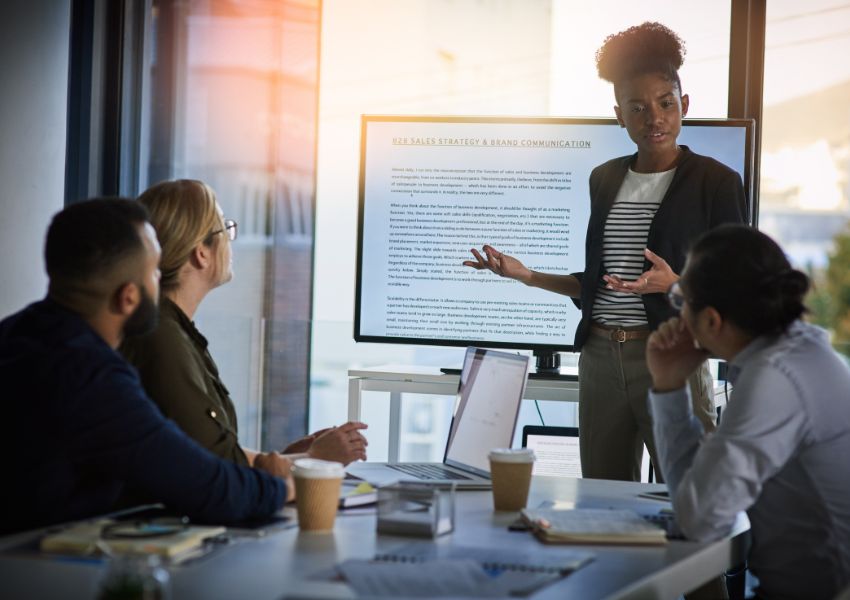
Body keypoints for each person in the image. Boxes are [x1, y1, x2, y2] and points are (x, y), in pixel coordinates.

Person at [464, 22, 746, 481]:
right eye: (637, 108)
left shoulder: (717, 182)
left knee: (692, 490)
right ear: (620, 115)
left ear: (684, 105)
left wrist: (674, 284)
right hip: (598, 357)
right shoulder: (604, 178)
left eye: (665, 103)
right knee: (603, 493)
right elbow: (594, 283)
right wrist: (526, 275)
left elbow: (737, 287)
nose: (653, 118)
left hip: (670, 354)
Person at [0, 199, 292, 535]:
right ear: (128, 297)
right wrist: (281, 486)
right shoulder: (91, 379)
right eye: (154, 271)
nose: (161, 280)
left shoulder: (15, 332)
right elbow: (207, 488)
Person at [647, 224, 850, 599]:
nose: (678, 312)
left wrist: (669, 391)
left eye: (681, 299)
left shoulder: (775, 378)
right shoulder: (801, 353)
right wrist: (671, 384)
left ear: (711, 320)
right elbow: (698, 504)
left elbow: (699, 521)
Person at [120, 179, 368, 469]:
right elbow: (216, 466)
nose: (230, 238)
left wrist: (287, 458)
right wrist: (313, 460)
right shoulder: (164, 338)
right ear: (201, 252)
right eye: (224, 228)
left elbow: (210, 449)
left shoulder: (170, 330)